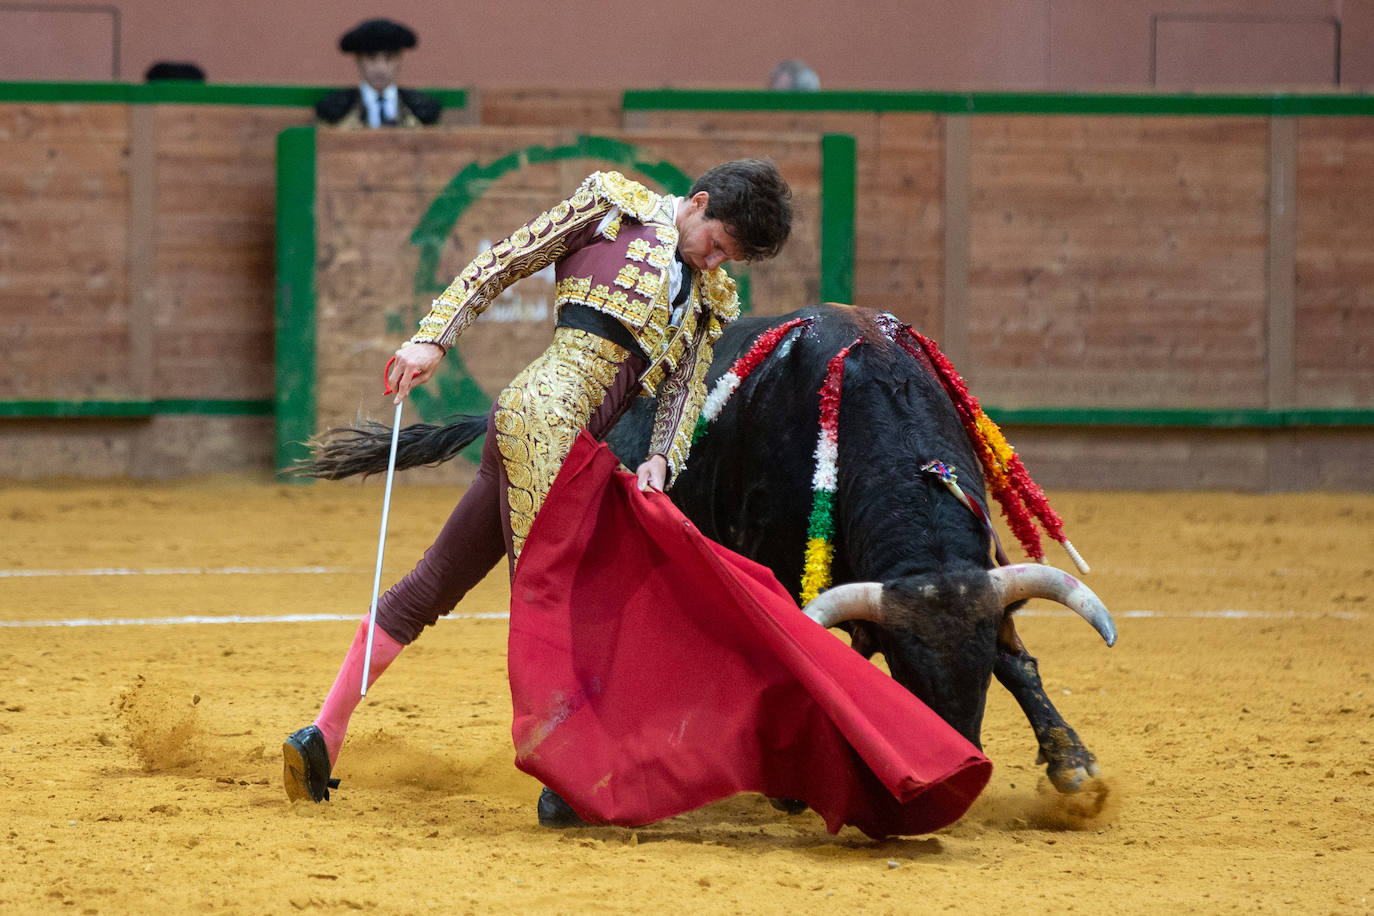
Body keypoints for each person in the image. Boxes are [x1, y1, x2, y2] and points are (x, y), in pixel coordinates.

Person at [283, 160, 793, 825]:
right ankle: (568, 779)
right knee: (571, 607)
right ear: (697, 204)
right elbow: (508, 258)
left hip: (551, 440)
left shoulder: (704, 298)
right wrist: (432, 338)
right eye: (718, 243)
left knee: (433, 584)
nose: (717, 260)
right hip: (545, 422)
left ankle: (322, 735)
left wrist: (661, 460)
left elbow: (681, 392)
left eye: (732, 258)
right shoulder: (613, 209)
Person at [315, 18, 441, 128]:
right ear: (358, 60)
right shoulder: (335, 110)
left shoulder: (423, 109)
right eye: (371, 58)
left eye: (389, 58)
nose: (380, 68)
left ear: (399, 60)